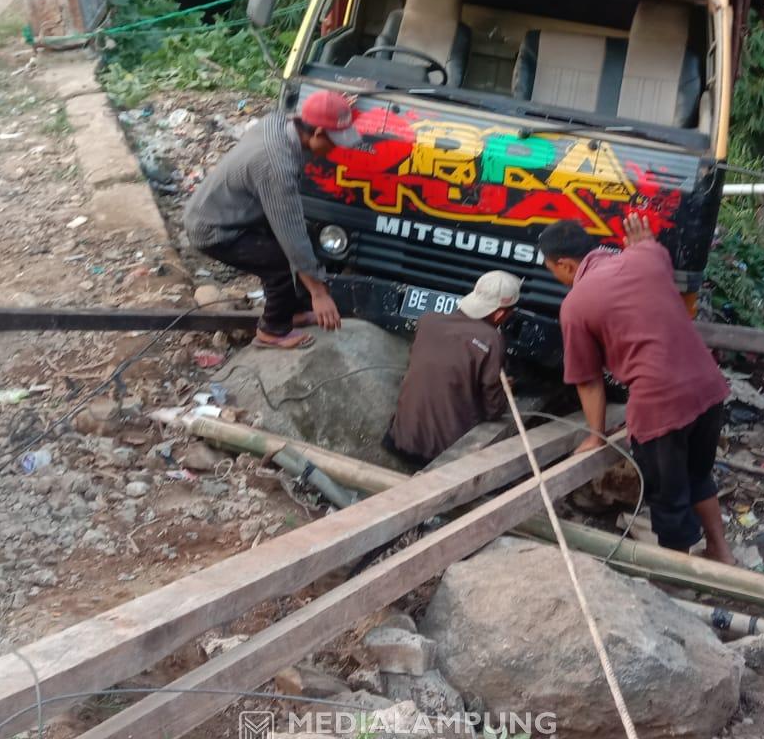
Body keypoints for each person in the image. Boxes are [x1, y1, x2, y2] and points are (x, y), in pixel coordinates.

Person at [538, 214, 733, 564]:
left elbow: (588, 379)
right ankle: (720, 552)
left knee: (668, 498)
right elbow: (648, 246)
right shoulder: (646, 257)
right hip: (708, 388)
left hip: (661, 404)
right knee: (698, 475)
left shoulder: (576, 304)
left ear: (565, 265)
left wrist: (596, 435)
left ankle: (677, 577)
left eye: (551, 268)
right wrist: (643, 243)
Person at [185, 91, 357, 350]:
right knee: (281, 263)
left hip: (234, 211)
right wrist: (319, 293)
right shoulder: (276, 166)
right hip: (214, 229)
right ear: (319, 133)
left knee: (303, 244)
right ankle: (272, 330)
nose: (337, 148)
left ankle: (293, 311)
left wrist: (335, 109)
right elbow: (292, 237)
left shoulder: (278, 122)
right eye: (335, 141)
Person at [383, 271, 520, 466]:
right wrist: (503, 388)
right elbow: (493, 410)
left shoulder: (428, 320)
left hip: (399, 440)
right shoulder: (491, 339)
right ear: (500, 314)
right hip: (443, 454)